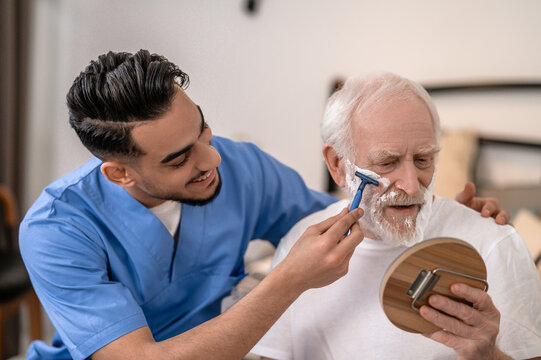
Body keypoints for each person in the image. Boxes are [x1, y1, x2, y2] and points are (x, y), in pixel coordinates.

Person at [19, 51, 507, 360]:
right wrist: (290, 279)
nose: (212, 158)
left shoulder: (241, 166)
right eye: (179, 158)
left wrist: (433, 212)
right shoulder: (57, 230)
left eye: (203, 130)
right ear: (120, 172)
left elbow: (346, 219)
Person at [251, 72, 541, 360]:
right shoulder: (298, 247)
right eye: (387, 163)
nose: (412, 185)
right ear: (338, 165)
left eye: (423, 159)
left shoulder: (493, 243)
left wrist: (489, 356)